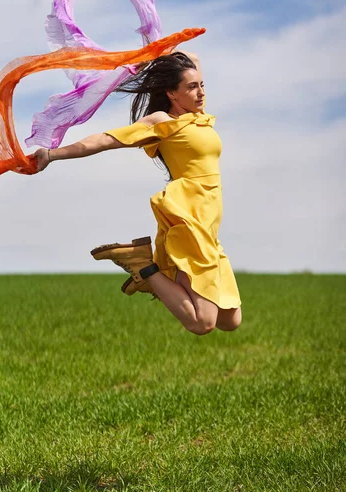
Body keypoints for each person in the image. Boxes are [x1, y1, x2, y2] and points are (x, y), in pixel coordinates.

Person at [35, 51, 242, 335]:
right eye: (192, 87)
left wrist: (156, 50)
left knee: (230, 320)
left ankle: (147, 268)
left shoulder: (198, 117)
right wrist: (52, 154)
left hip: (209, 225)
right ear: (171, 93)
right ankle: (144, 266)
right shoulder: (161, 121)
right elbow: (105, 140)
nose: (201, 92)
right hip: (188, 220)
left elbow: (191, 56)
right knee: (202, 322)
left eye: (202, 85)